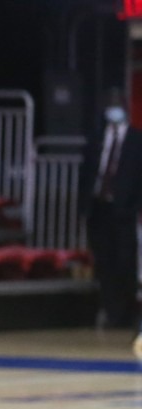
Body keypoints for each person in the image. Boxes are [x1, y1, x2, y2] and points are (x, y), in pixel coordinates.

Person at [81, 89, 141, 330]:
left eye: (116, 104)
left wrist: (135, 206)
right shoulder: (96, 137)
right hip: (99, 208)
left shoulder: (137, 140)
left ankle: (128, 314)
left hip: (124, 210)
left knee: (125, 261)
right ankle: (112, 312)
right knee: (104, 262)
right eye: (109, 104)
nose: (112, 108)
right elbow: (87, 173)